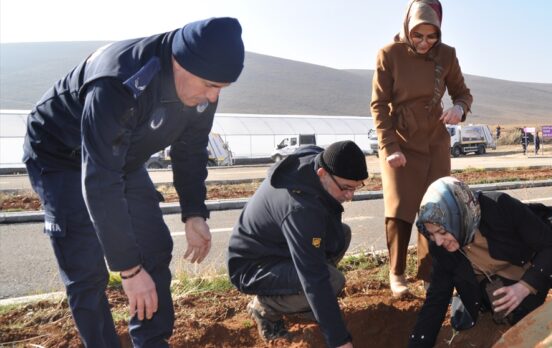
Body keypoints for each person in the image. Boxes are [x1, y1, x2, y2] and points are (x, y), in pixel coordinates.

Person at [22, 18, 244, 347]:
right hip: (60, 155)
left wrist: (194, 212)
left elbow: (190, 150)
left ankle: (152, 341)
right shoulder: (119, 81)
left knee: (154, 247)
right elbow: (100, 181)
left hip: (121, 155)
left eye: (221, 90)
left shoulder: (202, 86)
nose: (212, 98)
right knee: (87, 269)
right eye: (210, 85)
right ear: (179, 62)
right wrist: (128, 270)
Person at [408, 177, 552, 347]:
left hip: (534, 254)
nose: (439, 241)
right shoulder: (439, 247)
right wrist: (418, 344)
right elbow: (437, 298)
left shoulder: (499, 207)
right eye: (432, 234)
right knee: (516, 312)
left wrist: (525, 286)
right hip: (497, 274)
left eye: (442, 232)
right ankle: (472, 300)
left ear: (461, 217)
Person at [371, 0, 473, 297]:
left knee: (435, 209)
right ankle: (397, 273)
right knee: (400, 208)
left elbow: (463, 93)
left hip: (435, 140)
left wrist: (458, 108)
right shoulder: (389, 55)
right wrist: (390, 146)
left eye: (431, 36)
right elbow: (378, 105)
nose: (425, 42)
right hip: (399, 139)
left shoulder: (447, 55)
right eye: (418, 35)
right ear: (407, 28)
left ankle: (430, 274)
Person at [227, 141, 368, 348]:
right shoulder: (300, 209)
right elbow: (315, 277)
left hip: (278, 247)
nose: (350, 196)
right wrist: (339, 341)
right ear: (322, 173)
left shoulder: (315, 160)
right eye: (346, 188)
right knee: (330, 281)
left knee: (341, 235)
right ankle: (265, 308)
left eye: (356, 188)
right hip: (253, 266)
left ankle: (303, 301)